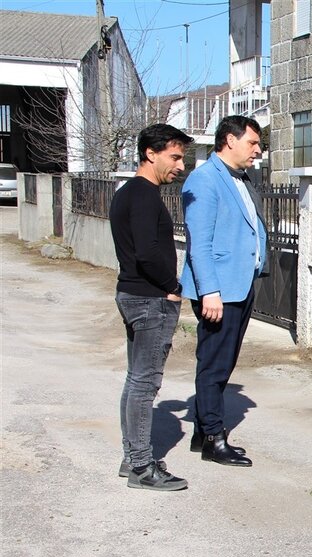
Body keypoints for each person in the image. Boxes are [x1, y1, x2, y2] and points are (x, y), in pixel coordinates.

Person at [111, 123, 194, 491]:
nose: (180, 165)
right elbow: (146, 253)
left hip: (134, 294)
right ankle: (143, 467)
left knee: (135, 381)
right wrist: (173, 287)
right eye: (175, 157)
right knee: (145, 384)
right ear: (151, 153)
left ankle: (133, 457)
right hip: (149, 299)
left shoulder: (128, 192)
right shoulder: (143, 195)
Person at [180, 115, 267, 467]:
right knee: (214, 363)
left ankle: (204, 431)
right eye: (253, 143)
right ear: (229, 140)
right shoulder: (204, 179)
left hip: (240, 285)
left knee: (224, 361)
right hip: (219, 290)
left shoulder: (241, 179)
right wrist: (209, 291)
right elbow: (198, 244)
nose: (258, 151)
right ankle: (214, 439)